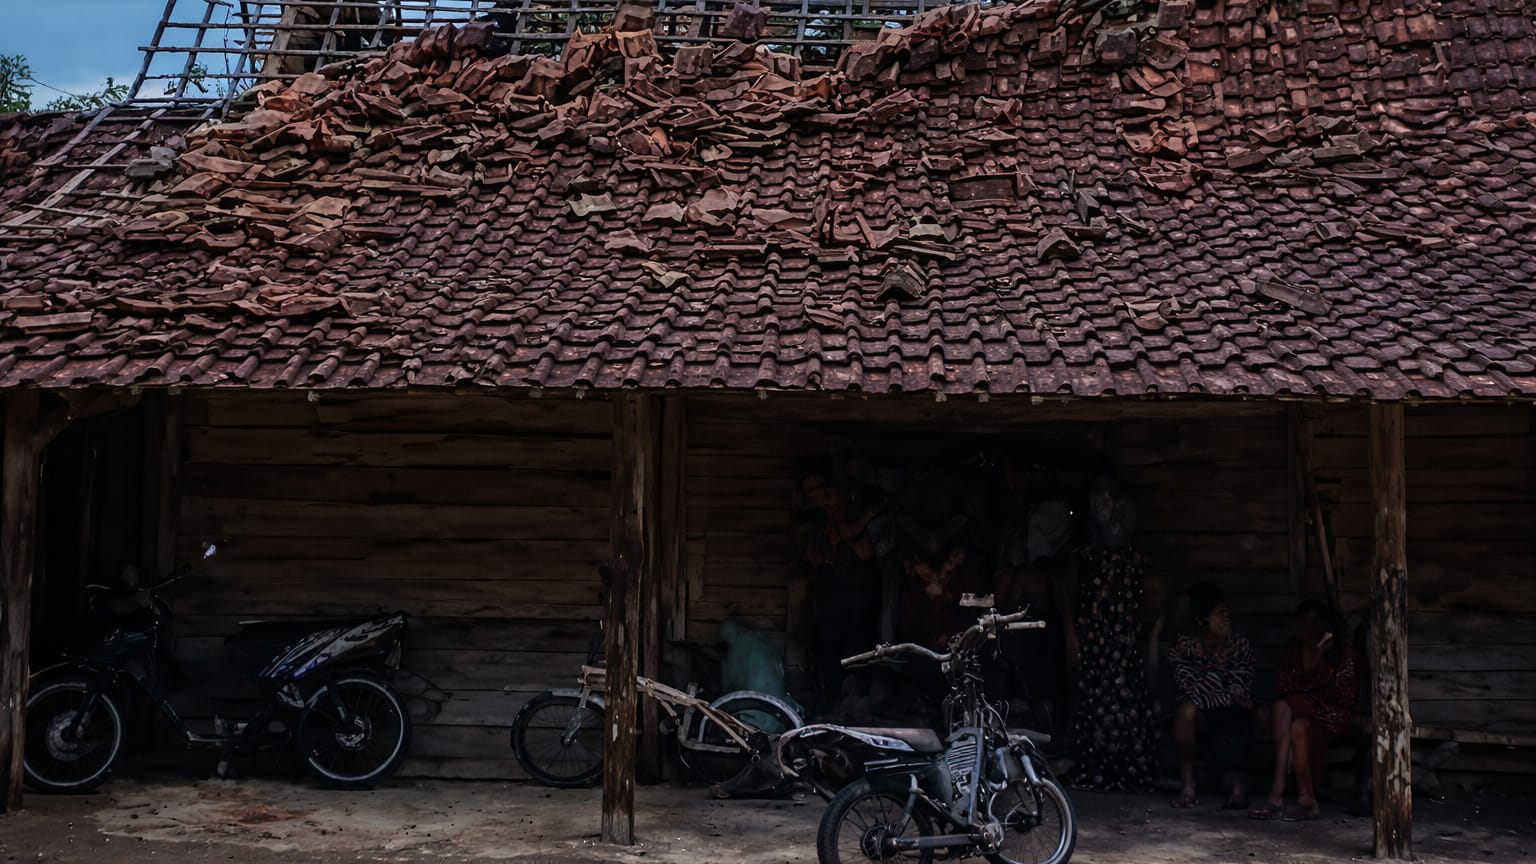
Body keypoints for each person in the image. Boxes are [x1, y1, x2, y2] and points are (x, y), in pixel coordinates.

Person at [1250, 599, 1361, 821]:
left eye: (1310, 621)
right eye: (1300, 620)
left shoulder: (1343, 654)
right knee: (1295, 726)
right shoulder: (1293, 649)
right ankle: (1306, 799)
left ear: (1324, 625)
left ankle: (1276, 795)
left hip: (1331, 718)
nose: (1303, 625)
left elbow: (1341, 699)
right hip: (1299, 717)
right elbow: (1284, 687)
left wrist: (1318, 657)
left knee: (1284, 708)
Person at [801, 465, 881, 713]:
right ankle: (833, 699)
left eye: (821, 490)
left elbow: (865, 553)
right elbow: (812, 556)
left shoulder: (857, 515)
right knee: (829, 644)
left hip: (858, 593)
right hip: (831, 593)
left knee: (859, 643)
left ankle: (856, 697)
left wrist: (845, 524)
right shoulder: (820, 522)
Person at [1168, 582, 1255, 810]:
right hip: (1202, 718)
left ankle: (1238, 786)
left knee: (1243, 714)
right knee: (1186, 711)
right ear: (1201, 620)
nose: (1226, 618)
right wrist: (1220, 687)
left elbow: (1240, 688)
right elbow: (1188, 685)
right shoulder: (1184, 647)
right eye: (1219, 613)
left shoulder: (1240, 645)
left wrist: (1212, 688)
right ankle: (1188, 785)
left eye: (1227, 612)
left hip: (1231, 716)